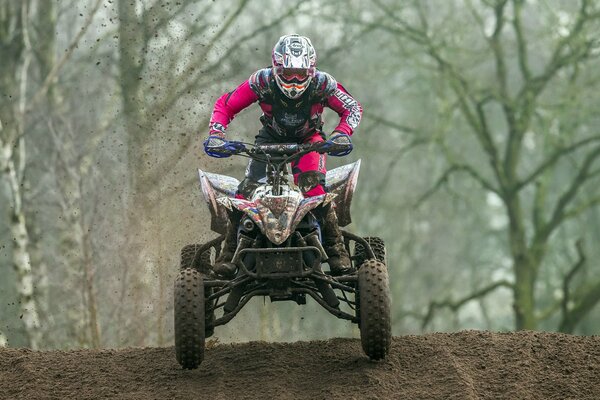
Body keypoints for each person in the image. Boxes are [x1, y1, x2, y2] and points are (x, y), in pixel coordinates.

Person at [204, 34, 363, 277]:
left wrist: (341, 133)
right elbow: (225, 105)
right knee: (245, 190)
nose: (295, 80)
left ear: (311, 70)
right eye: (288, 73)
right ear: (277, 68)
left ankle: (335, 249)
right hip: (270, 139)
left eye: (301, 74)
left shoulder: (323, 84)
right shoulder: (262, 82)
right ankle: (230, 251)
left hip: (309, 141)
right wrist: (217, 134)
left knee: (314, 189)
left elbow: (352, 107)